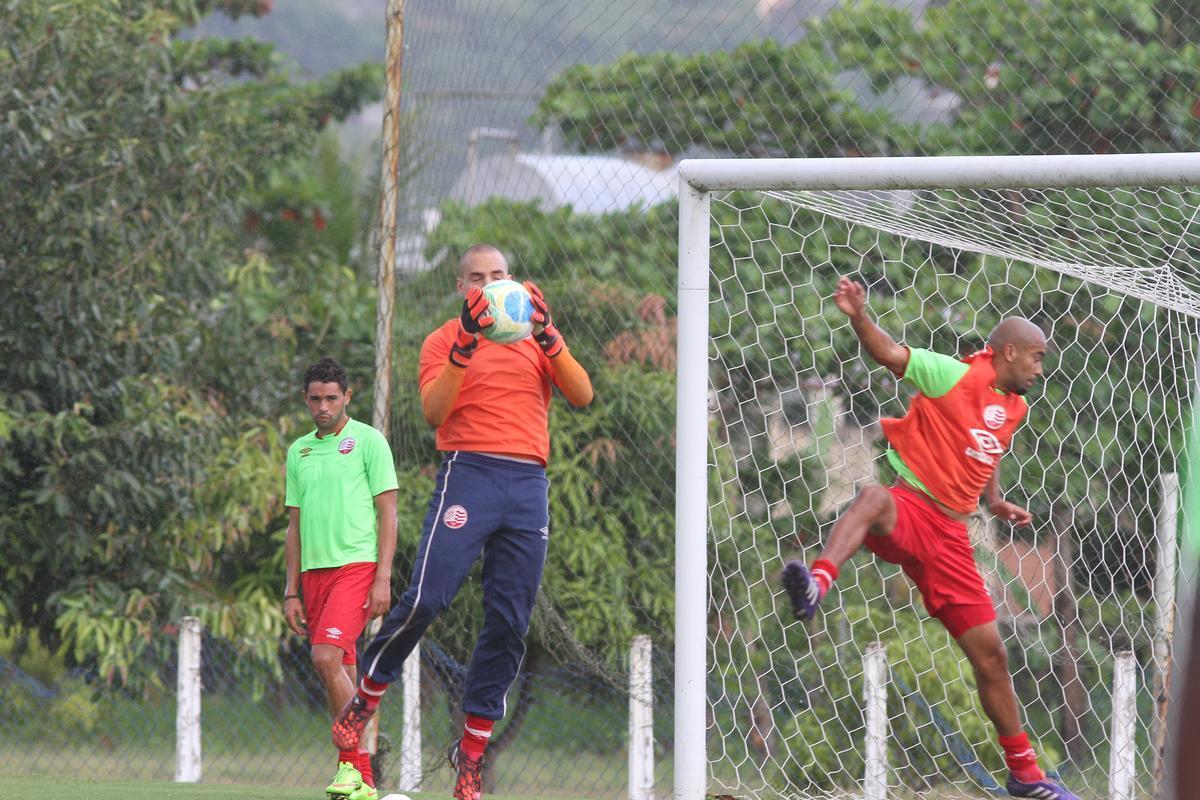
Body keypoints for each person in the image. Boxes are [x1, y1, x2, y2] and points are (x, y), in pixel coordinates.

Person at [782, 277, 1080, 800]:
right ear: (1008, 352)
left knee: (992, 657)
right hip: (913, 509)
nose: (1040, 368)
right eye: (1035, 358)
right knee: (872, 497)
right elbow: (890, 353)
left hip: (952, 538)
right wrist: (858, 316)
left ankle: (1025, 775)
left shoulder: (1015, 407)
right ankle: (817, 582)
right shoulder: (949, 375)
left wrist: (993, 501)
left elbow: (988, 448)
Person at [330, 244, 594, 800]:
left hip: (527, 485)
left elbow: (582, 394)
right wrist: (467, 344)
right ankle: (367, 695)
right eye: (477, 278)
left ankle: (470, 757)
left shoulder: (537, 340)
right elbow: (433, 411)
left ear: (515, 283)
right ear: (462, 289)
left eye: (499, 276)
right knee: (428, 597)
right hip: (468, 475)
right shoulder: (444, 339)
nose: (490, 285)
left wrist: (549, 336)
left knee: (508, 621)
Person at [284, 357, 398, 800]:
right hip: (314, 575)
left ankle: (352, 762)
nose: (323, 406)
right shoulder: (300, 451)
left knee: (325, 657)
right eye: (316, 399)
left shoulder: (369, 441)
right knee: (342, 667)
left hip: (357, 568)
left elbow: (388, 511)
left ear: (347, 397)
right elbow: (294, 525)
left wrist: (382, 577)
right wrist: (291, 589)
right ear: (306, 399)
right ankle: (362, 782)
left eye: (332, 398)